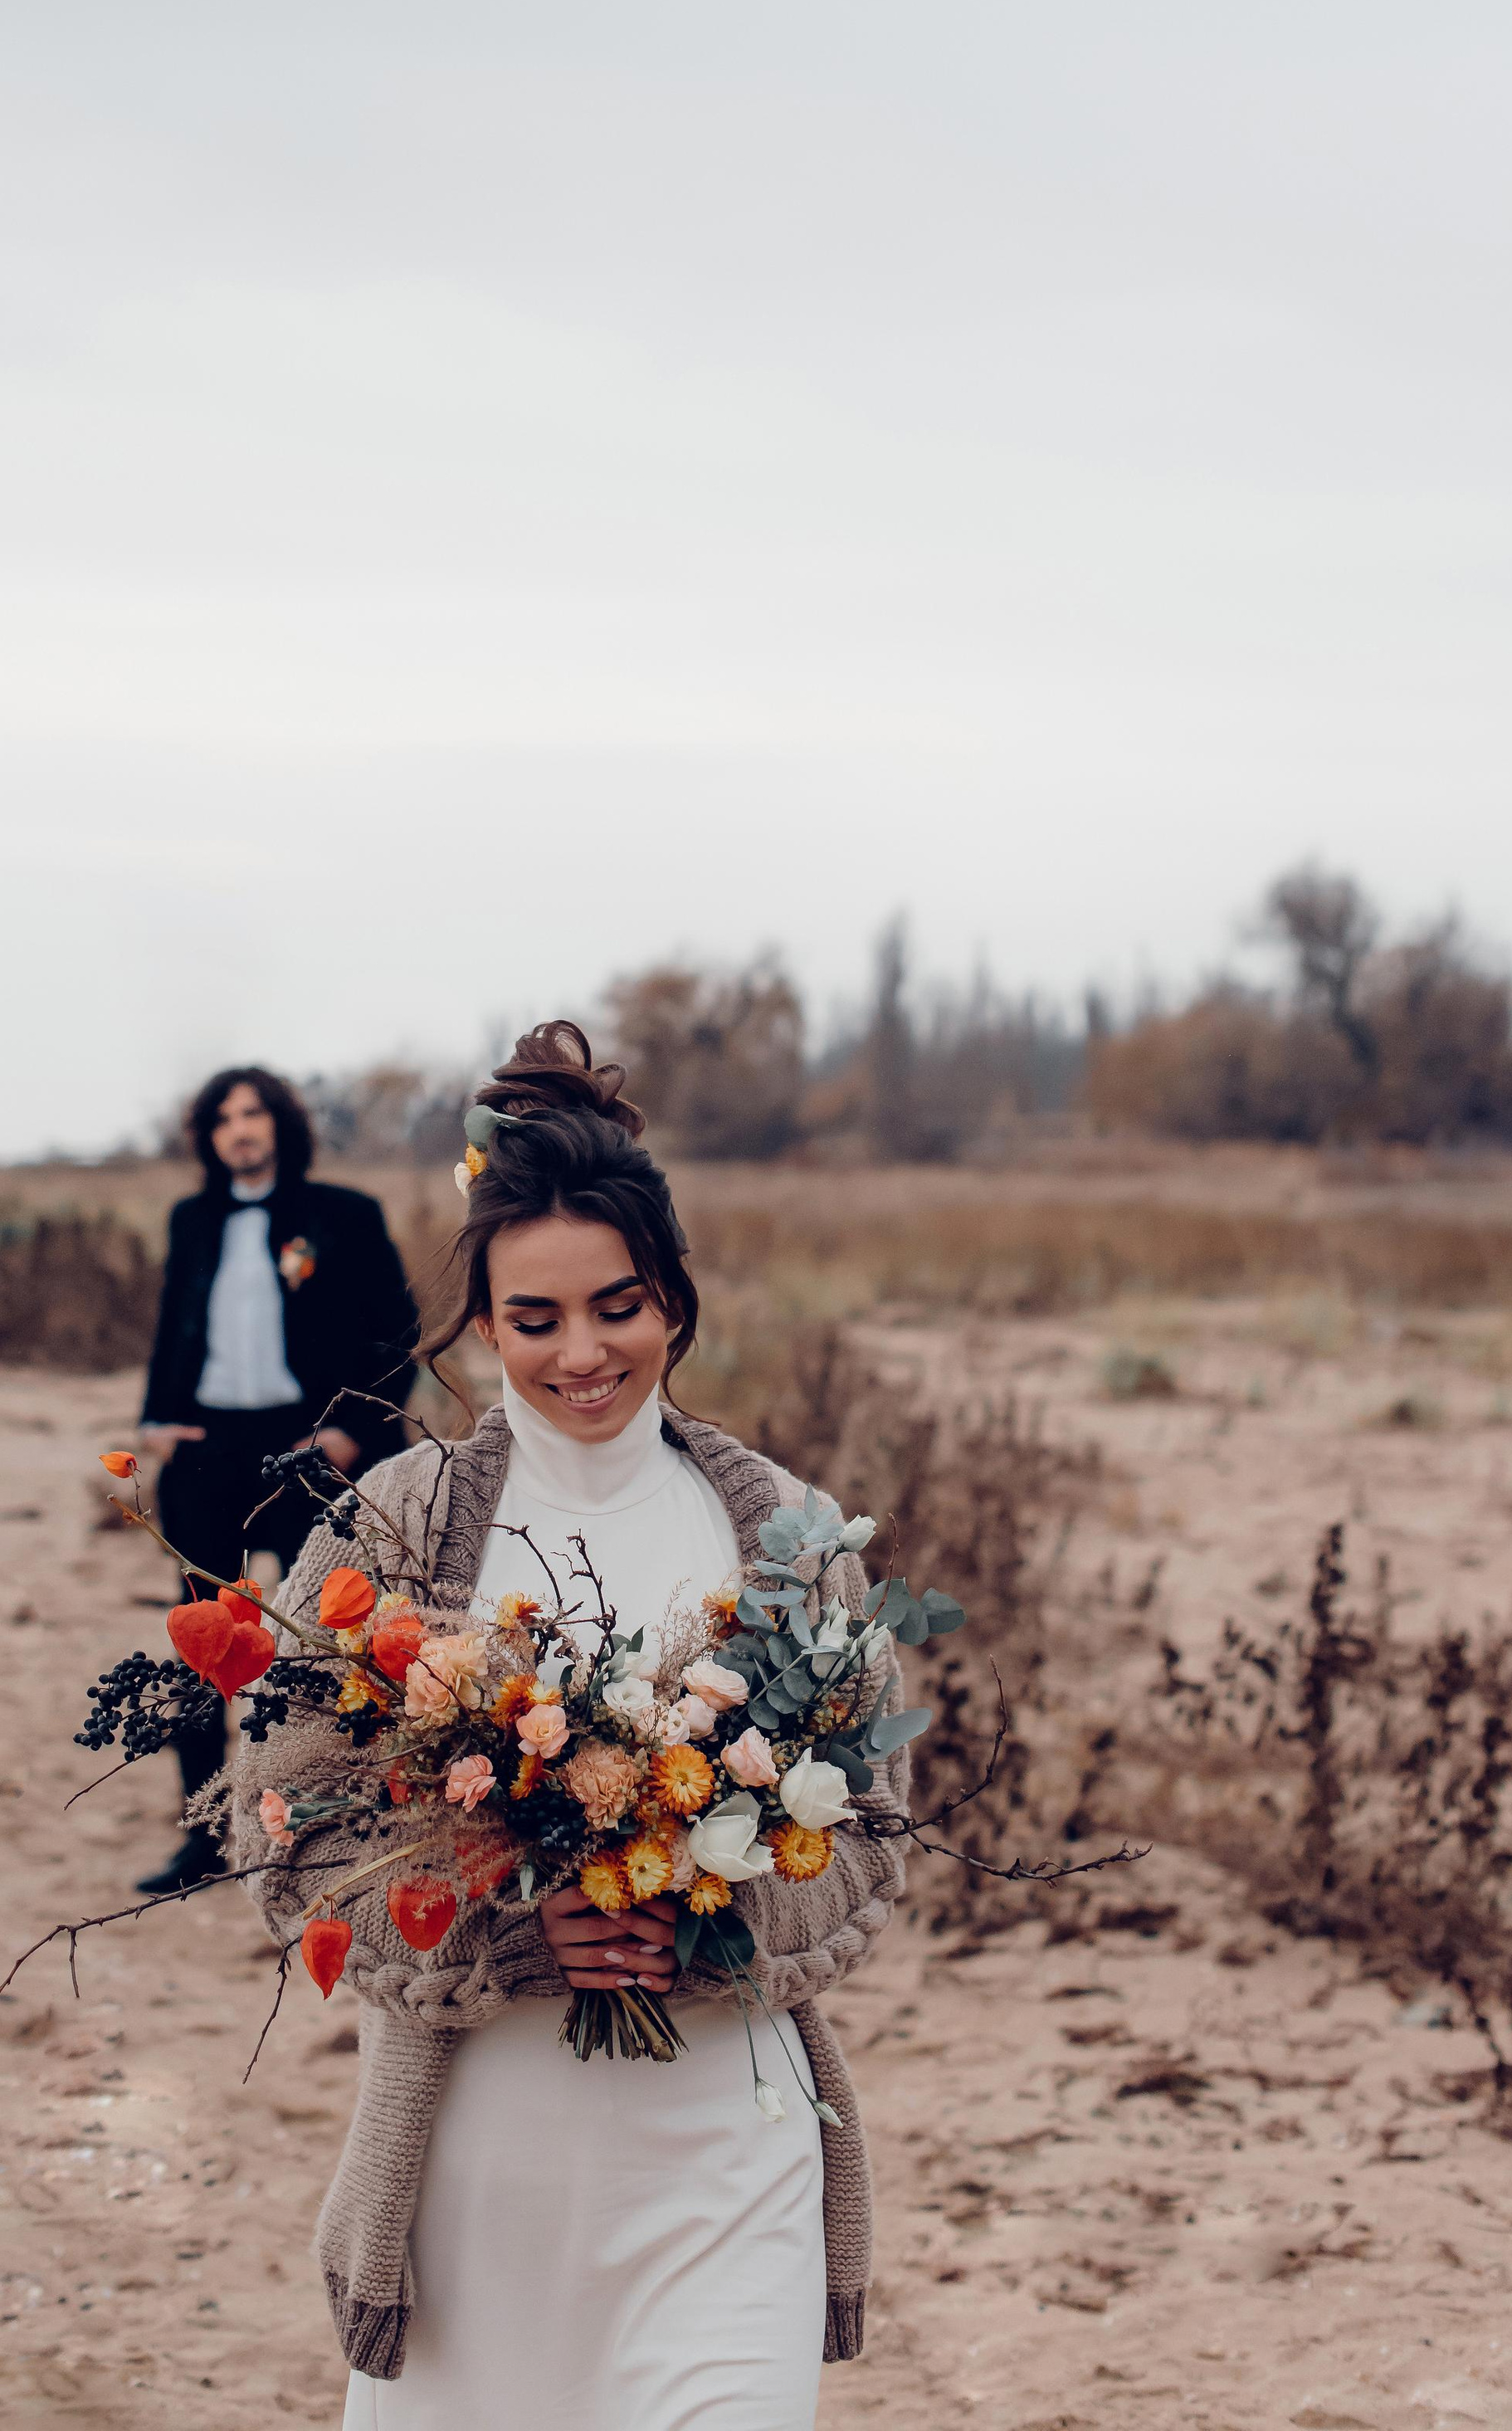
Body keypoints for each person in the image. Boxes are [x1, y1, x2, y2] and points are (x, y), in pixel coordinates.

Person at [231, 1023, 908, 2429]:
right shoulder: (390, 1533)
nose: (583, 1351)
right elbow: (285, 1833)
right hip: (480, 2192)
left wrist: (721, 1917)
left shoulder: (787, 1533)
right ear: (480, 1319)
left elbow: (875, 1837)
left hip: (734, 2163)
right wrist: (504, 1925)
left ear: (673, 1295)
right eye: (534, 1318)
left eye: (619, 1304)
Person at [134, 1062, 418, 1894]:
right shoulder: (193, 1220)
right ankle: (205, 1831)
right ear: (209, 1136)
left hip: (307, 1447)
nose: (240, 1129)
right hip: (207, 1446)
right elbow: (172, 1326)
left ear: (281, 1125)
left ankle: (324, 1823)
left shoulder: (342, 1216)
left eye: (254, 1113)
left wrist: (350, 1432)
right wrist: (156, 1417)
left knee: (322, 1641)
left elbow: (396, 1335)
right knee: (201, 1641)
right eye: (224, 1118)